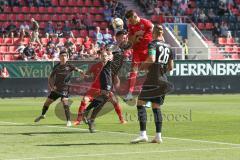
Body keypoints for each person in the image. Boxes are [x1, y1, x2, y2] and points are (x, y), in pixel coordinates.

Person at [74, 31, 128, 126]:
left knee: (114, 101)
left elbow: (114, 76)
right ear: (100, 56)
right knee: (84, 100)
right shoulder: (96, 66)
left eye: (105, 56)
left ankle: (121, 119)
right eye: (102, 56)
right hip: (95, 88)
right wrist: (82, 76)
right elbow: (87, 74)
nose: (104, 57)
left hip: (105, 87)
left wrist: (117, 83)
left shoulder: (110, 66)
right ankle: (78, 120)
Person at [131, 24, 174, 144]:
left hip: (152, 80)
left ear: (154, 33)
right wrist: (160, 71)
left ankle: (143, 134)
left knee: (140, 103)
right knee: (156, 106)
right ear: (162, 33)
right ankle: (158, 136)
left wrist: (141, 67)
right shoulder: (169, 47)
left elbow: (151, 59)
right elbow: (171, 67)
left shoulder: (153, 44)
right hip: (163, 80)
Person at [34, 51, 84, 127]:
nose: (64, 57)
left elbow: (78, 70)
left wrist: (81, 73)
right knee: (47, 103)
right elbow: (50, 77)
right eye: (62, 56)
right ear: (59, 57)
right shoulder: (56, 67)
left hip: (65, 89)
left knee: (65, 102)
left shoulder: (70, 66)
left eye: (65, 56)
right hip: (56, 89)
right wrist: (51, 87)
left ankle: (68, 121)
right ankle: (42, 115)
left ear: (67, 57)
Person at [123, 10, 153, 102]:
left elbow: (149, 38)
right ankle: (130, 94)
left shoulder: (146, 23)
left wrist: (141, 37)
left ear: (135, 16)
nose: (130, 22)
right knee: (133, 71)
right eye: (129, 21)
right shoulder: (130, 26)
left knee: (150, 73)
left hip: (147, 51)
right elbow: (131, 41)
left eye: (131, 20)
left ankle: (149, 97)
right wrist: (136, 35)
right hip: (137, 51)